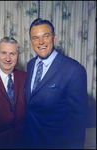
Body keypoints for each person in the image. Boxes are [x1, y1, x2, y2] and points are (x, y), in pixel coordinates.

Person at [24, 18, 88, 149]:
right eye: (35, 38)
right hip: (30, 142)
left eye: (45, 36)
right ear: (31, 43)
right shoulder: (30, 65)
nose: (40, 42)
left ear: (54, 38)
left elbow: (78, 122)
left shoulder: (74, 70)